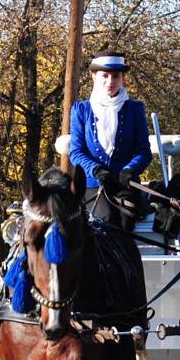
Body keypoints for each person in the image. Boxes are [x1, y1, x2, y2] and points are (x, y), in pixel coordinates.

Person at [69, 50, 152, 230]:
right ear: (93, 76)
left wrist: (130, 169)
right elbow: (75, 152)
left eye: (115, 76)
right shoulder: (80, 109)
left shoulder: (135, 108)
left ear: (122, 78)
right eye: (104, 76)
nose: (110, 82)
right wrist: (95, 169)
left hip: (125, 185)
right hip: (94, 184)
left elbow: (144, 151)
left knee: (125, 222)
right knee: (103, 222)